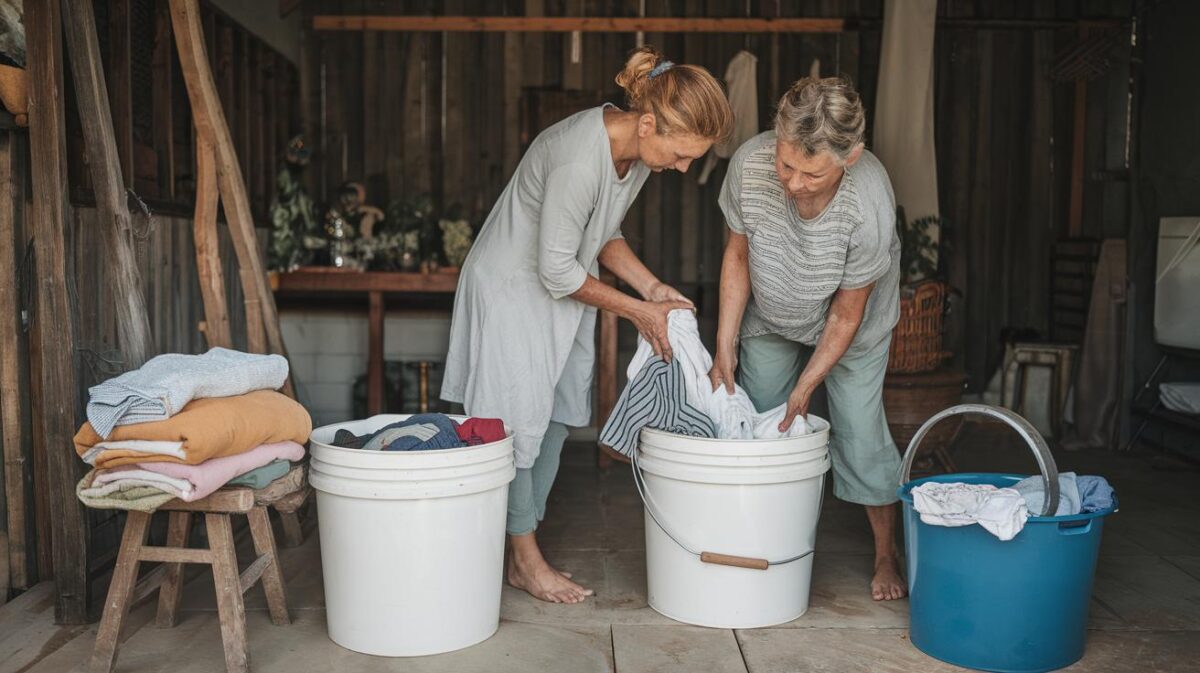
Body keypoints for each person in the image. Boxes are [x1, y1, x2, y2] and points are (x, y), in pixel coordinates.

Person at [442, 46, 733, 604]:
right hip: (513, 290)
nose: (683, 167)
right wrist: (638, 310)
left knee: (555, 419)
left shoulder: (637, 154)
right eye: (681, 153)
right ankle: (525, 560)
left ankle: (518, 542)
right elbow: (556, 268)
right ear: (648, 124)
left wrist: (651, 289)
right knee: (515, 423)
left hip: (559, 291)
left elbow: (601, 234)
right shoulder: (580, 156)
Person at [707, 76, 905, 601]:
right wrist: (724, 341)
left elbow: (846, 313)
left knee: (860, 432)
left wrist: (809, 383)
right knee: (762, 423)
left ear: (850, 157)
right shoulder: (750, 165)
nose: (793, 183)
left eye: (811, 173)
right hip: (772, 305)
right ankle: (763, 543)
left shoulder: (869, 202)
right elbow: (738, 255)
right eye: (786, 163)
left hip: (851, 326)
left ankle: (887, 553)